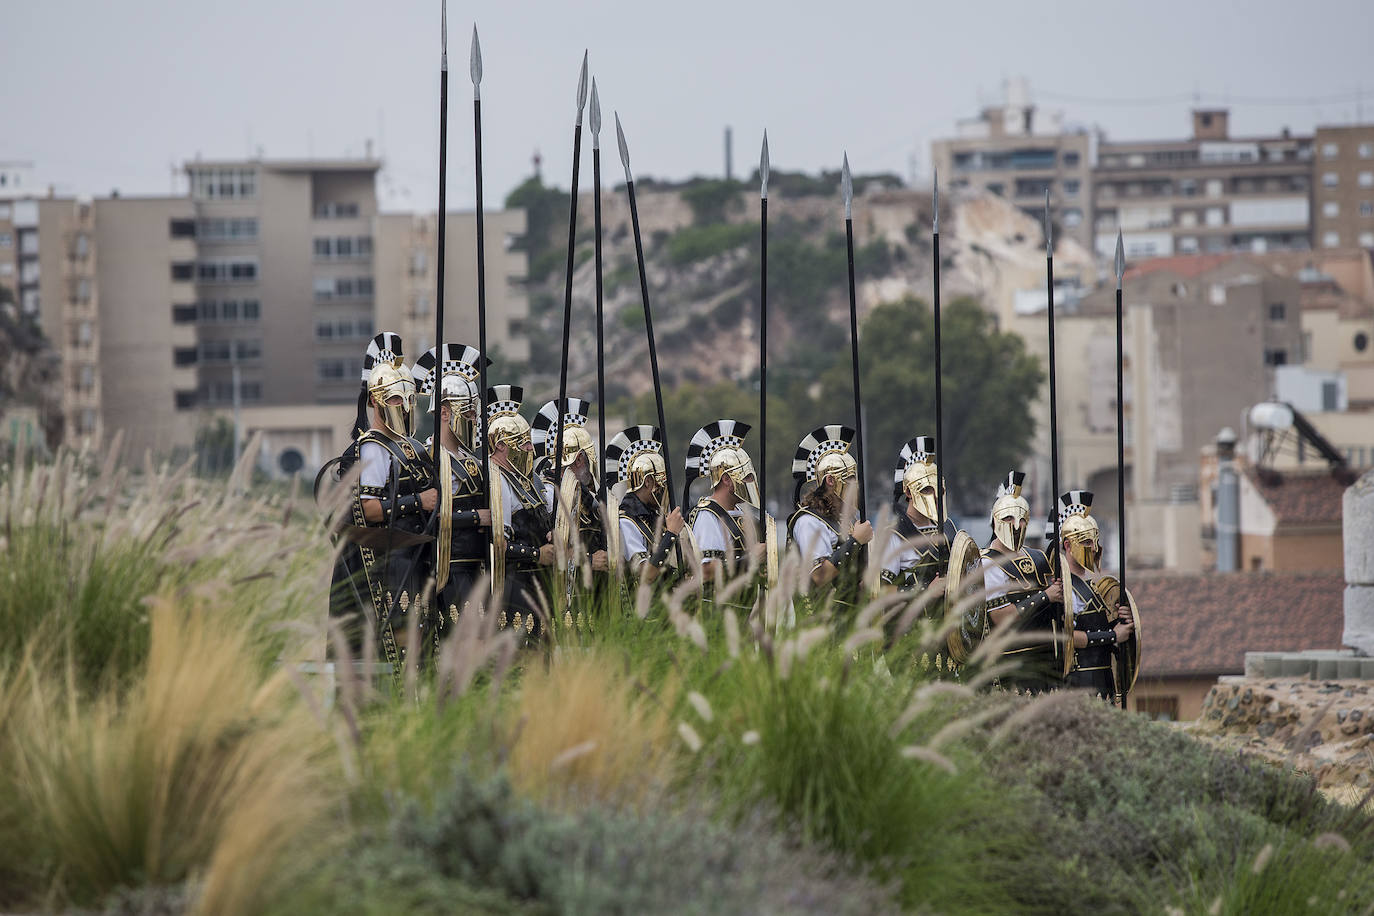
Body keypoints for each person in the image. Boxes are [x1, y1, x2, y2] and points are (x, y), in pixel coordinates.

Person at [351, 352, 440, 671]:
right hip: (393, 561)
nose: (402, 405)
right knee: (402, 645)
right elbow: (368, 510)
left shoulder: (411, 446)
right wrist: (419, 502)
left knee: (425, 647)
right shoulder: (373, 447)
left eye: (408, 398)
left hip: (420, 558)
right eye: (394, 398)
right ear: (376, 401)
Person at [411, 344, 492, 628]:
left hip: (479, 567)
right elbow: (424, 520)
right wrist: (475, 517)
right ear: (444, 413)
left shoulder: (474, 462)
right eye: (468, 414)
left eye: (474, 415)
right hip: (447, 569)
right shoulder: (424, 458)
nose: (474, 421)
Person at [881, 436, 969, 673]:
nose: (935, 495)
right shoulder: (894, 534)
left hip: (950, 637)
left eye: (938, 489)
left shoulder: (948, 528)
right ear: (908, 491)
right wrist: (925, 592)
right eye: (927, 489)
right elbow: (883, 594)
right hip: (911, 640)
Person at [981, 471, 1064, 694]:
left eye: (1022, 519)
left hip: (1046, 661)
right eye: (1008, 518)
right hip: (1010, 666)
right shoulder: (988, 563)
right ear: (996, 520)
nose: (1016, 525)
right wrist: (1045, 596)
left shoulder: (1038, 557)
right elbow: (1000, 617)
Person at [486, 385, 556, 640]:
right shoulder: (497, 480)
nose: (530, 449)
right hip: (514, 585)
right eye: (524, 443)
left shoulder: (527, 481)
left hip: (538, 583)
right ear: (501, 445)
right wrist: (538, 554)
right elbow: (498, 545)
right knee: (523, 656)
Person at [684, 419, 770, 613]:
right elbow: (707, 571)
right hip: (717, 614)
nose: (750, 481)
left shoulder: (742, 514)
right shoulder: (707, 515)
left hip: (743, 612)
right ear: (726, 479)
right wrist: (751, 560)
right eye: (746, 476)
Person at [787, 424, 873, 619]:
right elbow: (819, 576)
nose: (855, 486)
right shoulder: (809, 521)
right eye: (850, 479)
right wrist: (856, 541)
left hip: (849, 622)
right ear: (831, 481)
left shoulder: (846, 522)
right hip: (819, 624)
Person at [532, 398, 610, 611]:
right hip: (560, 599)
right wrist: (589, 560)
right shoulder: (549, 493)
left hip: (591, 598)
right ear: (580, 459)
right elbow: (549, 548)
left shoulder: (588, 496)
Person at [1057, 491, 1135, 701]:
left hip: (1104, 680)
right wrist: (1113, 636)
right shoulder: (1062, 587)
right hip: (1078, 683)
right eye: (1086, 542)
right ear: (1068, 545)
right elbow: (1067, 638)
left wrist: (1122, 620)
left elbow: (1102, 628)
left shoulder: (1096, 587)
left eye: (1095, 542)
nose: (1093, 548)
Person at [604, 424, 685, 589]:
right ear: (648, 481)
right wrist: (671, 534)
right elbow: (646, 574)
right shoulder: (626, 522)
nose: (666, 490)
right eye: (662, 482)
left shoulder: (654, 517)